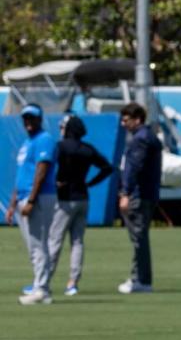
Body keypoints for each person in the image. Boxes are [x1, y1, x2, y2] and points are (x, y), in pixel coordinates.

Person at [47, 113, 114, 297]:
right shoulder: (87, 149)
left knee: (55, 240)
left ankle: (43, 280)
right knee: (77, 241)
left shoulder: (60, 147)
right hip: (83, 197)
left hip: (64, 199)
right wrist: (90, 183)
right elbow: (108, 167)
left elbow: (47, 167)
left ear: (68, 129)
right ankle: (73, 283)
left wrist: (56, 182)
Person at [10, 104, 58, 305]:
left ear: (40, 119)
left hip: (38, 197)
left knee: (38, 245)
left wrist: (31, 199)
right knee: (33, 246)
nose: (28, 122)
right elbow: (23, 173)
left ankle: (41, 289)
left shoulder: (44, 140)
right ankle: (39, 285)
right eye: (25, 118)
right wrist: (13, 203)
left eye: (32, 118)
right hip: (24, 197)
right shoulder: (28, 142)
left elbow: (42, 169)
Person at [116, 102, 162, 294]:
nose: (123, 124)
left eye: (126, 120)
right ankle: (139, 277)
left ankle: (141, 280)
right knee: (139, 237)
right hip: (148, 194)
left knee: (138, 238)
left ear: (137, 120)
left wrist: (125, 193)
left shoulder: (140, 139)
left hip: (139, 195)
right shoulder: (148, 136)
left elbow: (134, 167)